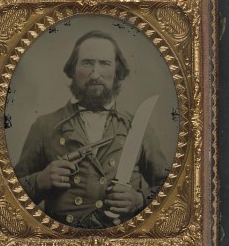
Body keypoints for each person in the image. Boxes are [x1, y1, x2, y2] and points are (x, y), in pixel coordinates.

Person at [14, 30, 168, 228]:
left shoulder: (137, 126)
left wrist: (140, 200)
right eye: (87, 63)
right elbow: (9, 196)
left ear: (117, 72)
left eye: (105, 63)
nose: (95, 74)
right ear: (73, 70)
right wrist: (39, 181)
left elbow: (171, 187)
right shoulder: (44, 126)